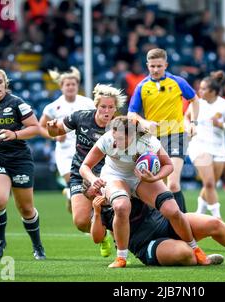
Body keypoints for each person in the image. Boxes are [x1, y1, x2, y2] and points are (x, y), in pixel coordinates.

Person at [81, 116, 209, 268]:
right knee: (121, 206)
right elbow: (85, 166)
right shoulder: (107, 139)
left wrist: (154, 177)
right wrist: (93, 179)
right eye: (115, 136)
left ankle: (195, 249)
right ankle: (121, 258)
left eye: (121, 138)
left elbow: (168, 165)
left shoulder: (148, 141)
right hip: (115, 176)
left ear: (133, 136)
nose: (116, 142)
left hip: (139, 177)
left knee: (173, 210)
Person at [86, 180, 225, 266]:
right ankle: (201, 259)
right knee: (185, 253)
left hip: (167, 223)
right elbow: (97, 238)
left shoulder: (127, 184)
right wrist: (95, 211)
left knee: (214, 223)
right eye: (94, 190)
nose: (99, 190)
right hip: (147, 245)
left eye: (99, 186)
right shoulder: (101, 209)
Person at [0, 67, 45, 260]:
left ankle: (37, 245)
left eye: (0, 82)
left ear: (6, 84)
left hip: (19, 159)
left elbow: (35, 128)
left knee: (26, 208)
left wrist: (15, 134)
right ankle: (0, 240)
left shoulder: (17, 103)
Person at [46, 84, 125, 257]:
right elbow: (56, 131)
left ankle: (118, 239)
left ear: (115, 109)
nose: (106, 110)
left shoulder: (119, 127)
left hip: (108, 175)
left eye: (110, 107)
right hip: (80, 173)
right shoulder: (80, 117)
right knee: (81, 222)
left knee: (117, 212)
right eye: (103, 106)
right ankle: (102, 235)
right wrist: (52, 128)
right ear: (96, 106)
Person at [127, 48, 200, 213]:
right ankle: (161, 222)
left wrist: (194, 122)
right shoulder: (142, 86)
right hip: (153, 139)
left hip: (176, 135)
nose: (155, 69)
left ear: (166, 65)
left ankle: (185, 224)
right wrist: (144, 121)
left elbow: (195, 100)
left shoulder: (178, 82)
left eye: (159, 66)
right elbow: (131, 113)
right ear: (147, 65)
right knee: (154, 184)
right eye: (152, 66)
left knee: (173, 183)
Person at [39, 66, 94, 213]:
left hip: (85, 148)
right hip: (64, 151)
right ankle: (72, 195)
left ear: (77, 86)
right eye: (67, 85)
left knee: (87, 181)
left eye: (73, 84)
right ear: (61, 87)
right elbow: (40, 127)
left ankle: (72, 195)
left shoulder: (87, 103)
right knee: (72, 180)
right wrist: (55, 136)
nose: (70, 87)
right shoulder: (53, 107)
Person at [185, 71, 225, 218]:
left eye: (203, 89)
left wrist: (220, 124)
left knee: (211, 184)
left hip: (218, 148)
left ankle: (199, 214)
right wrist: (188, 126)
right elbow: (186, 118)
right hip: (199, 146)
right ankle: (217, 217)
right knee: (208, 182)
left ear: (213, 91)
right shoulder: (196, 103)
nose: (199, 91)